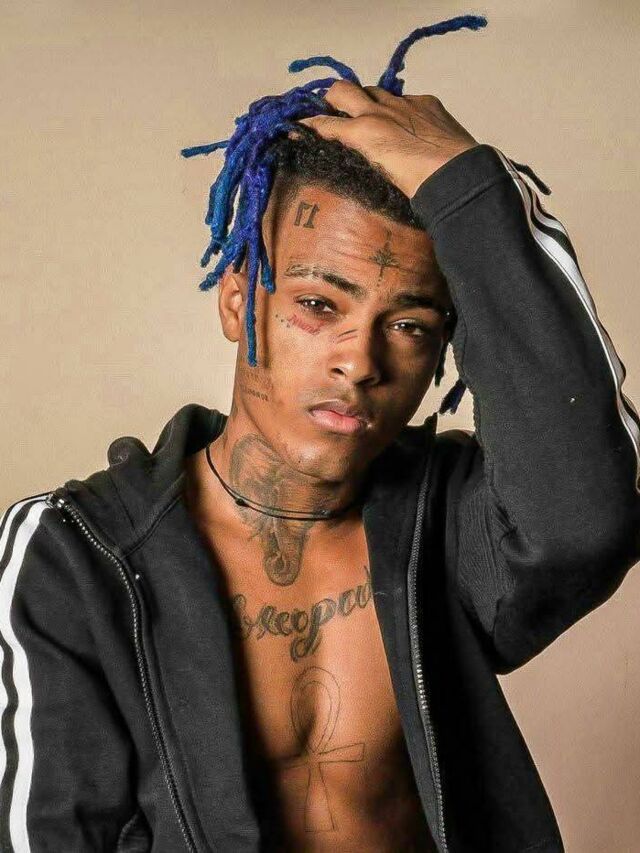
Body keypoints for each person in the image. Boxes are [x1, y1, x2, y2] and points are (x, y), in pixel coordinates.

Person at [2, 16, 639, 853]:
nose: (359, 360)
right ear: (240, 300)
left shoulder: (446, 524)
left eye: (409, 325)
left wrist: (468, 192)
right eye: (317, 304)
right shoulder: (79, 557)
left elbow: (592, 511)